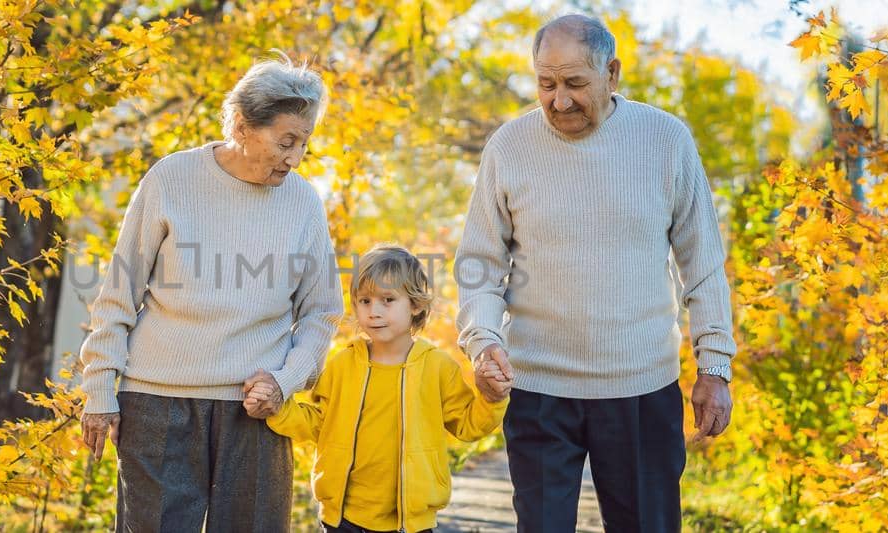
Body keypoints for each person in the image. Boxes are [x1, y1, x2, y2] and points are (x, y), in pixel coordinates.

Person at [455, 14, 739, 532]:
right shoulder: (509, 147)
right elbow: (480, 263)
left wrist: (715, 365)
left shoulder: (666, 141)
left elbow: (703, 264)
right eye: (546, 83)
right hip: (539, 388)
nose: (558, 100)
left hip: (641, 388)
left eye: (574, 83)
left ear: (612, 73)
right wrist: (482, 339)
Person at [77, 55, 343, 533]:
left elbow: (322, 312)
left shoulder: (303, 201)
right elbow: (118, 293)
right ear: (242, 126)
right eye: (286, 142)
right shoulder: (171, 179)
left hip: (256, 410)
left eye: (303, 143)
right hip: (157, 403)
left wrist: (285, 381)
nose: (295, 158)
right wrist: (100, 389)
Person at [246, 244, 511, 533]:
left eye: (388, 300)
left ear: (416, 305)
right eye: (365, 301)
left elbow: (469, 425)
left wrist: (492, 399)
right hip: (343, 519)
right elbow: (319, 422)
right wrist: (277, 409)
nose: (374, 312)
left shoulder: (437, 367)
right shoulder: (343, 364)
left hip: (410, 522)